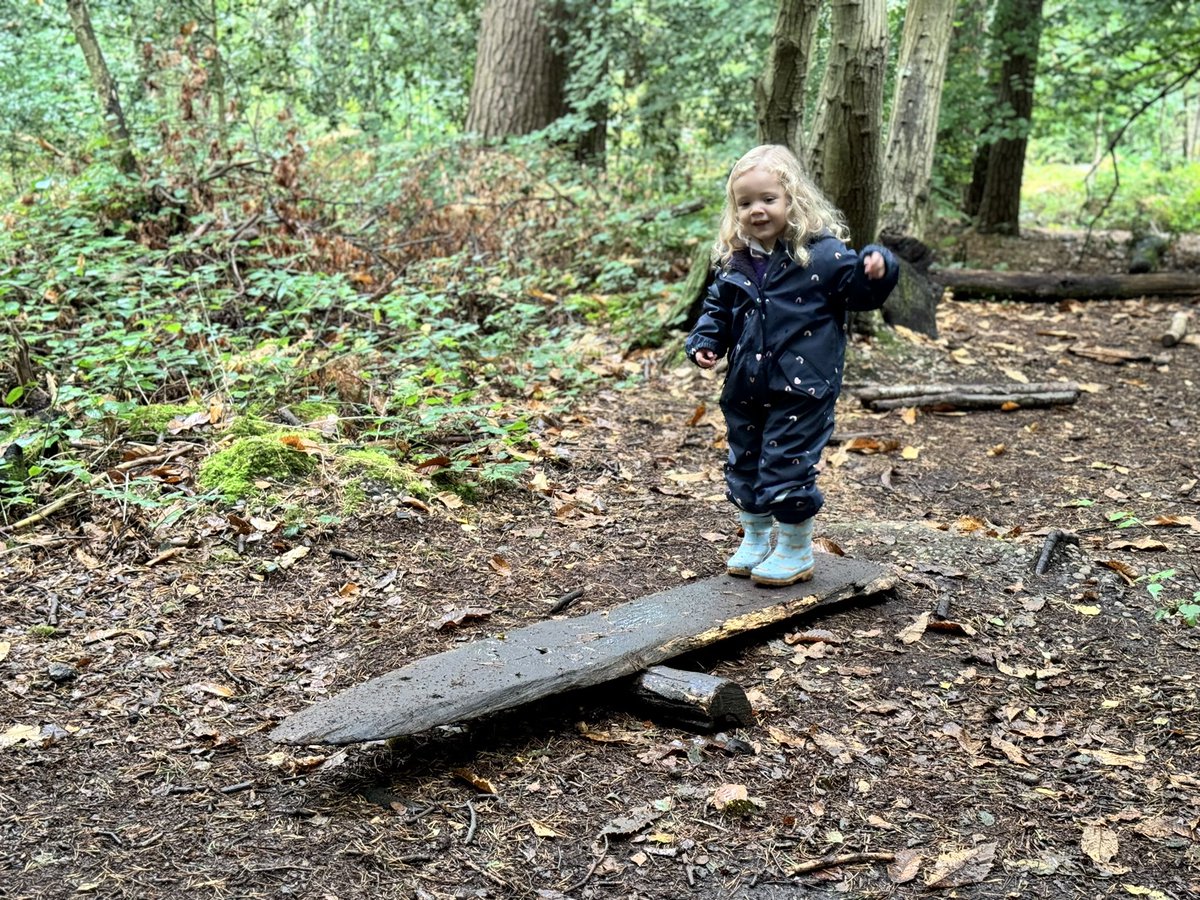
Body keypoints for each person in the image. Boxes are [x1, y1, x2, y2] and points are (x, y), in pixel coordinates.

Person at [687, 144, 898, 586]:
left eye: (768, 199)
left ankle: (796, 549)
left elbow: (856, 293)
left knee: (786, 463)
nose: (756, 210)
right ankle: (757, 537)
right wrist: (707, 339)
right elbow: (718, 309)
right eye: (745, 203)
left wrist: (878, 270)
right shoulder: (735, 261)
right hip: (746, 384)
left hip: (803, 386)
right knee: (744, 461)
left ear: (793, 200)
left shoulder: (821, 255)